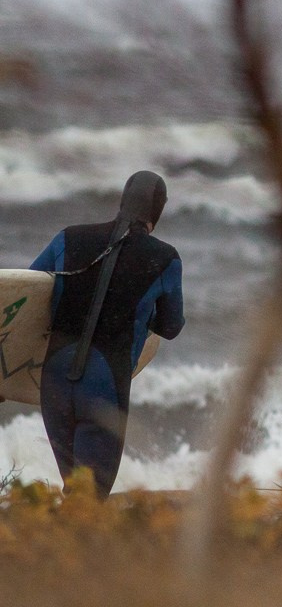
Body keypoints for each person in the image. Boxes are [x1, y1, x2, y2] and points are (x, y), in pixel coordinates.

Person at [30, 170, 185, 498]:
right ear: (158, 210)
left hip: (54, 379)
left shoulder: (67, 237)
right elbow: (171, 326)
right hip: (104, 386)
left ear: (122, 200)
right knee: (90, 499)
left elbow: (28, 291)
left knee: (75, 489)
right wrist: (143, 313)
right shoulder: (165, 258)